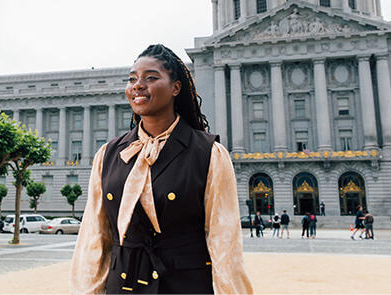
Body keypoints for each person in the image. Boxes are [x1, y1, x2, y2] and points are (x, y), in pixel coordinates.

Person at [70, 44, 253, 294]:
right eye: (132, 79)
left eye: (151, 78)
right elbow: (94, 239)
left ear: (175, 87)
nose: (138, 85)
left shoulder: (208, 153)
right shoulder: (108, 155)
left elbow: (225, 243)